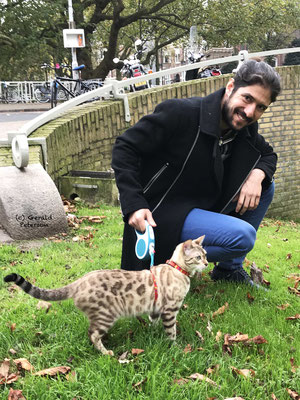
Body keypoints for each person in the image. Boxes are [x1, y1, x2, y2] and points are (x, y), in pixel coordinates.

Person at [111, 59, 281, 285]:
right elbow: (125, 147)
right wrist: (133, 203)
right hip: (162, 212)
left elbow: (268, 155)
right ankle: (171, 262)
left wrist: (257, 175)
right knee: (243, 237)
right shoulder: (181, 113)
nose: (250, 112)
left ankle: (228, 271)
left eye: (261, 107)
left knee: (267, 186)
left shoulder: (245, 131)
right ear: (231, 87)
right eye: (247, 98)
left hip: (201, 205)